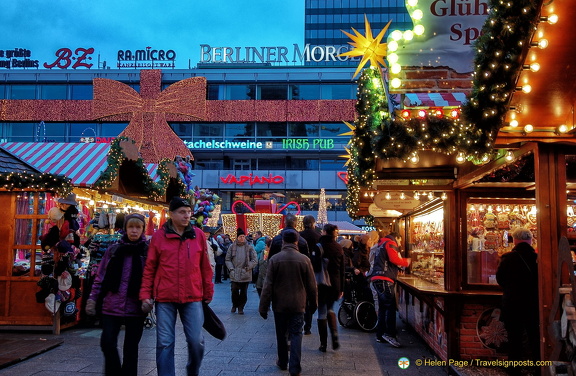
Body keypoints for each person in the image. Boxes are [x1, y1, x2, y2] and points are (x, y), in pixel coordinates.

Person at [140, 197, 214, 376]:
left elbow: (205, 265)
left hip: (193, 295)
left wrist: (208, 289)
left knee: (197, 341)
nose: (187, 215)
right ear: (171, 214)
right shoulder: (159, 237)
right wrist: (145, 294)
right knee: (165, 343)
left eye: (188, 212)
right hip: (165, 297)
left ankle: (192, 369)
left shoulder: (198, 235)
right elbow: (150, 267)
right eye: (182, 212)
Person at [85, 213, 148, 376]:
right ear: (125, 229)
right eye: (131, 227)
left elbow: (151, 277)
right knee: (107, 343)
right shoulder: (114, 249)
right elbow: (100, 276)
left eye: (138, 227)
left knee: (131, 350)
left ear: (143, 229)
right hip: (111, 304)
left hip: (136, 306)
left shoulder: (146, 252)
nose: (134, 231)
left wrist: (149, 298)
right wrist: (92, 298)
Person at [259, 229, 317, 376]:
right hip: (298, 304)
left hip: (280, 304)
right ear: (296, 241)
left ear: (283, 241)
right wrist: (313, 303)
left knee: (281, 334)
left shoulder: (275, 259)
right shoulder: (304, 260)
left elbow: (268, 285)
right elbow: (311, 285)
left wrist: (263, 307)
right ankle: (295, 367)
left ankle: (283, 361)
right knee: (297, 334)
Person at [496, 227, 539, 367]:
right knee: (535, 337)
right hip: (534, 303)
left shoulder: (507, 258)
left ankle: (514, 369)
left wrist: (510, 289)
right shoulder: (538, 258)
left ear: (514, 240)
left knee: (514, 338)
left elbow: (500, 279)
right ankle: (538, 368)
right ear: (530, 240)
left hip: (512, 303)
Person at [368, 230, 410, 348]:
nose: (400, 243)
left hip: (377, 278)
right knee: (390, 307)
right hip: (385, 279)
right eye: (400, 240)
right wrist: (406, 262)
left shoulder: (381, 244)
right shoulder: (390, 243)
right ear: (396, 237)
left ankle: (380, 335)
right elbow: (394, 259)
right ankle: (390, 334)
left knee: (383, 308)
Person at [316, 223, 345, 352]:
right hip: (335, 283)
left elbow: (315, 267)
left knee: (322, 311)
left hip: (322, 283)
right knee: (331, 309)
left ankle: (323, 344)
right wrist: (342, 287)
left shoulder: (319, 246)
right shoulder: (339, 247)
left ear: (324, 232)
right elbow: (342, 269)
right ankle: (334, 334)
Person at [225, 228, 258, 314]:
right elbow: (227, 259)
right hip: (234, 272)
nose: (242, 238)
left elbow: (254, 259)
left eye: (243, 236)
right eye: (240, 236)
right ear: (237, 237)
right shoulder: (232, 247)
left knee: (244, 292)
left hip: (245, 273)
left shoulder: (249, 247)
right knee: (234, 290)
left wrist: (249, 267)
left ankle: (241, 307)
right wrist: (231, 269)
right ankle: (234, 305)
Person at [299, 214, 321, 335]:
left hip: (300, 269)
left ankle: (301, 322)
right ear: (313, 224)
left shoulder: (299, 236)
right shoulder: (318, 236)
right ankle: (308, 325)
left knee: (301, 296)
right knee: (311, 297)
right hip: (314, 270)